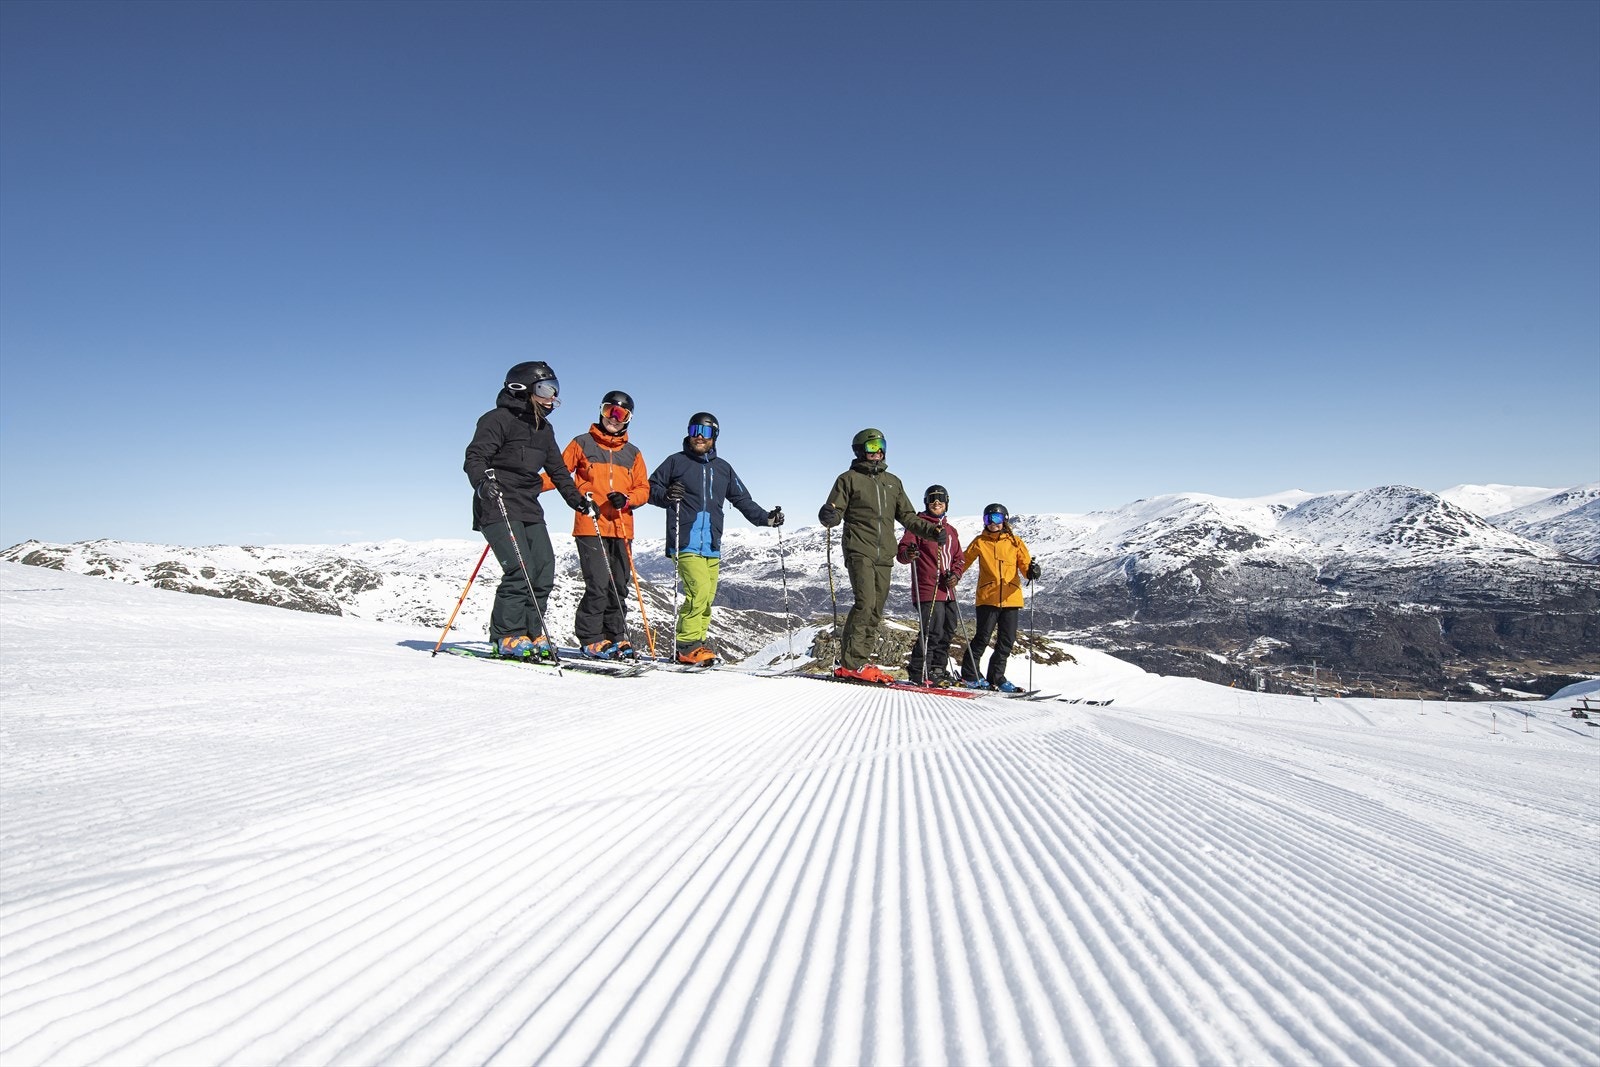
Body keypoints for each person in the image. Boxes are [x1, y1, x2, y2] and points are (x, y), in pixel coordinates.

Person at [463, 361, 591, 659]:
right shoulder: (497, 420)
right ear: (521, 388)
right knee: (520, 569)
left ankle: (533, 634)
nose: (552, 397)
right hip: (497, 503)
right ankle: (506, 636)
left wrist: (578, 501)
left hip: (528, 506)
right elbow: (475, 457)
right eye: (546, 389)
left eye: (555, 390)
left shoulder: (543, 429)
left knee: (544, 569)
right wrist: (482, 483)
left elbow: (559, 472)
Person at [648, 412, 783, 665]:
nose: (699, 436)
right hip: (685, 540)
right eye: (694, 430)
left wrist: (767, 519)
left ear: (715, 436)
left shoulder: (724, 469)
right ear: (688, 433)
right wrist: (666, 494)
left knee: (707, 598)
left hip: (712, 544)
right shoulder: (675, 462)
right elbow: (650, 489)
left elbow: (743, 500)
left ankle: (695, 645)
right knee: (697, 592)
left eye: (706, 431)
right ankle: (687, 645)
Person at [818, 428, 945, 683]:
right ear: (860, 449)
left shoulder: (893, 482)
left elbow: (908, 517)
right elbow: (835, 510)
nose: (878, 451)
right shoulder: (848, 479)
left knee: (875, 609)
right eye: (872, 446)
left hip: (884, 553)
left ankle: (857, 661)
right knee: (864, 602)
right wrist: (827, 515)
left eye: (881, 445)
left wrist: (932, 531)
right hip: (859, 549)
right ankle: (853, 662)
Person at [543, 390, 650, 660]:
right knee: (599, 583)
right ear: (600, 412)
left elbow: (643, 489)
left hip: (622, 526)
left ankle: (616, 637)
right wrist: (525, 485)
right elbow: (558, 474)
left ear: (628, 419)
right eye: (608, 411)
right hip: (590, 524)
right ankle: (591, 638)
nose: (613, 418)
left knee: (619, 584)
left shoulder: (633, 453)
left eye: (620, 414)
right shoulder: (581, 443)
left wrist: (626, 500)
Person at [958, 502, 1041, 691]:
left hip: (1011, 598)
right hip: (988, 597)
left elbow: (1025, 567)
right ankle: (970, 675)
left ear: (1005, 520)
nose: (992, 523)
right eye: (988, 519)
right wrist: (954, 575)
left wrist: (1033, 572)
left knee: (1006, 641)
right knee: (982, 638)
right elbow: (964, 562)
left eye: (996, 518)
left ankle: (996, 677)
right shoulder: (980, 542)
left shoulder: (1015, 542)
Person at [896, 484, 966, 686]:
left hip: (948, 590)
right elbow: (902, 553)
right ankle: (919, 670)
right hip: (928, 588)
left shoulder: (951, 531)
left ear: (947, 503)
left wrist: (956, 575)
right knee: (932, 630)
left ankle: (937, 669)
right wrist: (909, 554)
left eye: (941, 500)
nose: (937, 503)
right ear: (926, 503)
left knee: (948, 629)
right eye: (932, 500)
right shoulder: (918, 525)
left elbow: (959, 558)